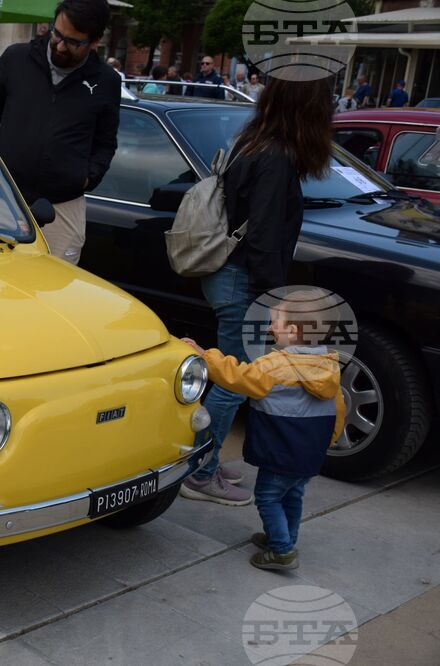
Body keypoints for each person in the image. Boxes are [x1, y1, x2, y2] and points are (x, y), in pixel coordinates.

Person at [179, 76, 335, 505]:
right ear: (307, 109)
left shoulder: (254, 142)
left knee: (232, 374)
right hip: (241, 279)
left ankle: (203, 461)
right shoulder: (276, 157)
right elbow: (264, 238)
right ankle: (199, 472)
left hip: (230, 275)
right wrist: (275, 301)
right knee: (234, 381)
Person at [181, 288, 345, 570]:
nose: (270, 327)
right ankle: (283, 538)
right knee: (293, 496)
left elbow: (238, 376)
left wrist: (205, 355)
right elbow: (338, 410)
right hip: (309, 455)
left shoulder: (276, 366)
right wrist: (325, 442)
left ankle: (281, 550)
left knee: (268, 498)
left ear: (291, 331)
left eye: (275, 322)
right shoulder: (328, 366)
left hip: (280, 450)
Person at [0, 0, 120, 265]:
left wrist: (87, 177)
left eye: (73, 42)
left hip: (63, 207)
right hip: (0, 197)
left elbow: (106, 143)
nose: (60, 45)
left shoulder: (107, 81)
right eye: (57, 33)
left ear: (95, 41)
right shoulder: (16, 58)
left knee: (54, 294)